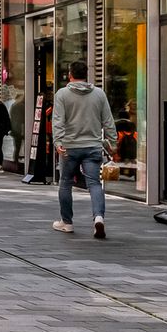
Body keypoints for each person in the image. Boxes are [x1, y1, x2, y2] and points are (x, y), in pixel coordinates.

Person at [51, 60, 117, 238]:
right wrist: (113, 143)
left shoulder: (62, 94)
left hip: (69, 147)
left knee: (65, 183)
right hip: (93, 147)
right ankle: (98, 218)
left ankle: (67, 222)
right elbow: (108, 121)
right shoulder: (99, 94)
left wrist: (58, 142)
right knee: (94, 184)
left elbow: (58, 121)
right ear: (86, 75)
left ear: (70, 75)